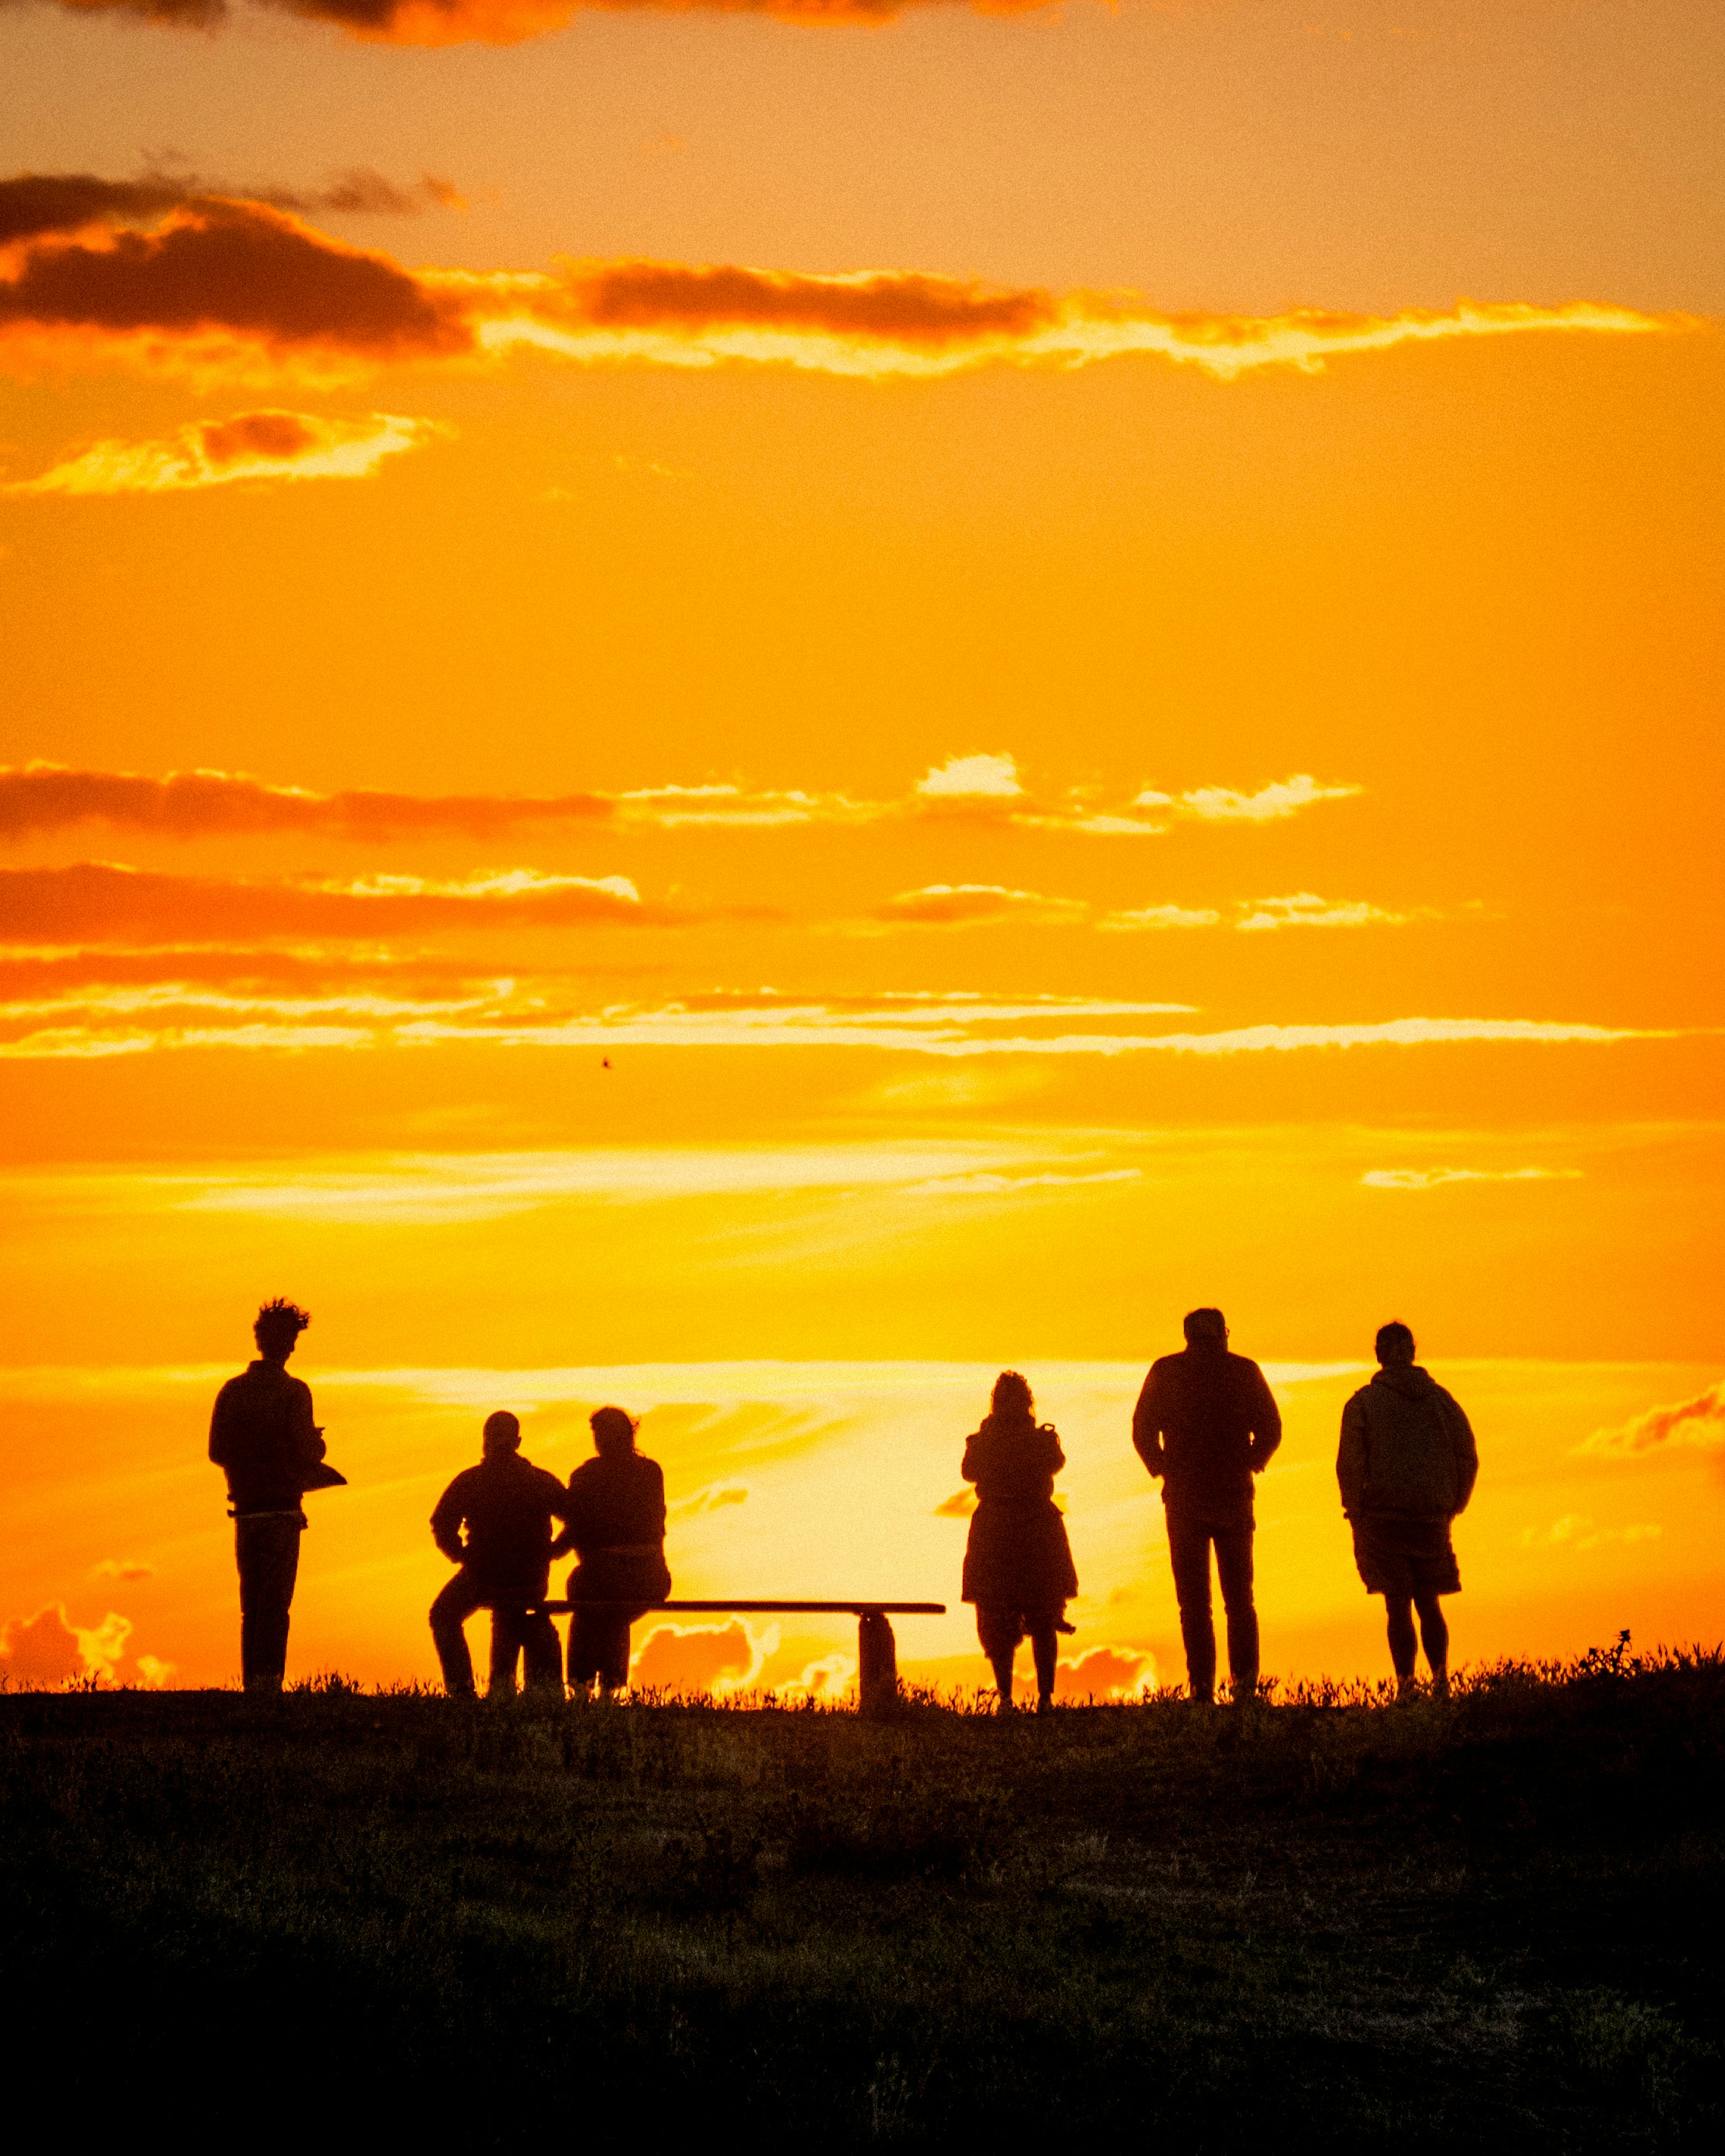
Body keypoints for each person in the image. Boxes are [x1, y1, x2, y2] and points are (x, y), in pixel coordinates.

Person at [1132, 1308, 1281, 1706]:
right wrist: (1253, 1460)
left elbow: (1142, 1429)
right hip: (1231, 1494)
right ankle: (1245, 1689)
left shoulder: (1166, 1371)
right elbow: (1271, 1426)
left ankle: (1201, 1690)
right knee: (1240, 1601)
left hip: (1185, 1497)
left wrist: (1162, 1467)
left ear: (1188, 1335)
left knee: (1194, 1605)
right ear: (1222, 1333)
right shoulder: (1243, 1371)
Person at [1338, 1322, 1477, 1700]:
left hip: (1383, 1519)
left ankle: (1406, 1687)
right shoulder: (1443, 1401)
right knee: (1429, 1602)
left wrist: (1356, 1509)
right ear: (1412, 1352)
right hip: (1432, 1517)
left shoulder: (1363, 1403)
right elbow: (1467, 1455)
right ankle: (1441, 1682)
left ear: (1379, 1354)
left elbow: (1350, 1463)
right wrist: (1454, 1503)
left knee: (1397, 1605)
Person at [209, 1297, 338, 1694]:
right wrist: (316, 1444)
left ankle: (253, 1686)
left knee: (251, 1607)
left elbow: (216, 1451)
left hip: (245, 1509)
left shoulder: (232, 1391)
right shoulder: (294, 1392)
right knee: (275, 1606)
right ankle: (268, 1686)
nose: (293, 1346)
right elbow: (307, 1451)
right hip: (281, 1511)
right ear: (285, 1343)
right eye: (292, 1338)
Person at [961, 1371, 1078, 1715]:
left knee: (997, 1618)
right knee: (1043, 1617)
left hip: (995, 1530)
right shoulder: (1041, 1440)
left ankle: (1006, 1699)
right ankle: (1044, 1699)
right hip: (1036, 1529)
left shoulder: (983, 1442)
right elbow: (1056, 1463)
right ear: (1027, 1403)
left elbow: (968, 1471)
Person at [429, 1411, 570, 1699]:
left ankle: (462, 1691)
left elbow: (441, 1523)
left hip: (483, 1577)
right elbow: (577, 1520)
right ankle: (491, 1691)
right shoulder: (540, 1481)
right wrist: (554, 1551)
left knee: (443, 1615)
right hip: (530, 1579)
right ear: (518, 1442)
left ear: (485, 1441)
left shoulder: (472, 1480)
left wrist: (461, 1555)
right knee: (504, 1616)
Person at [558, 1406, 670, 1698]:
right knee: (612, 1611)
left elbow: (574, 1528)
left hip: (604, 1577)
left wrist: (551, 1551)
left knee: (590, 1601)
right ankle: (609, 1689)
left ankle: (583, 1687)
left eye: (600, 1434)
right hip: (650, 1576)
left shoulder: (586, 1476)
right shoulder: (650, 1472)